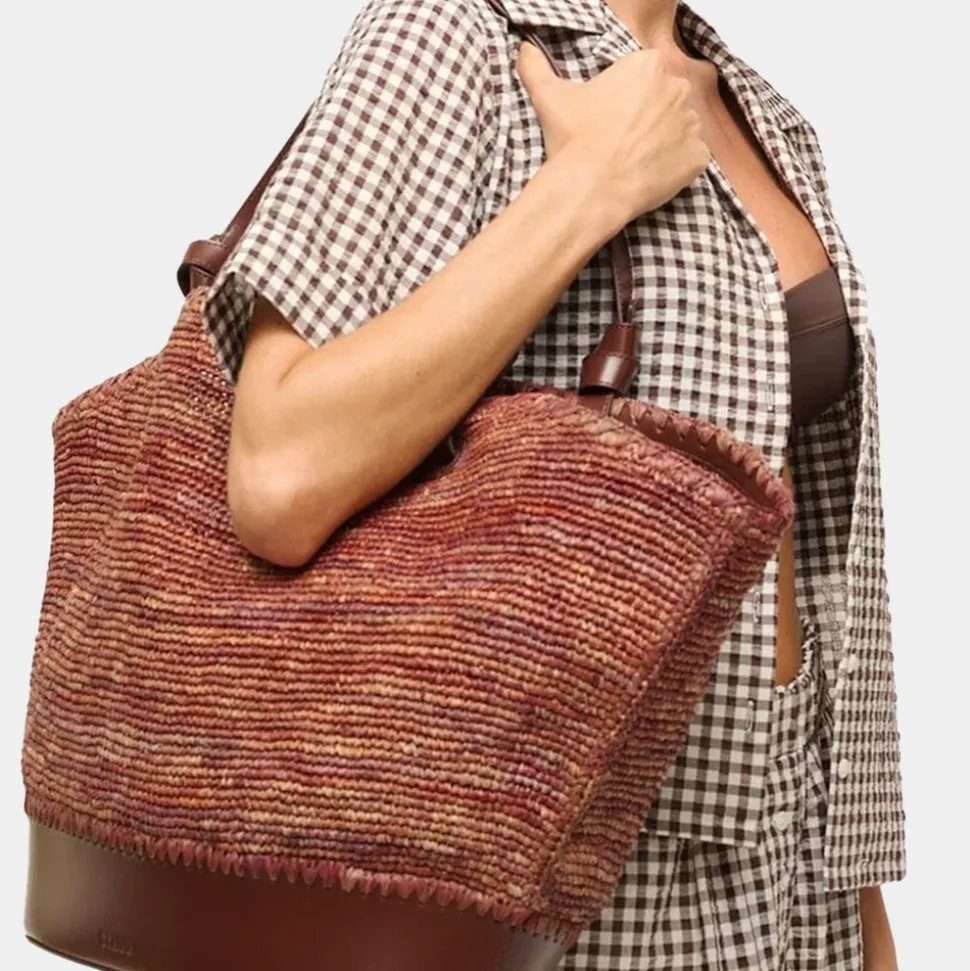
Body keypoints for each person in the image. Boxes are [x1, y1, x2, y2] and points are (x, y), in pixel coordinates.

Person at [200, 1, 905, 968]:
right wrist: (589, 183)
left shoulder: (764, 113)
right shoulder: (450, 34)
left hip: (790, 843)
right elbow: (278, 472)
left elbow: (813, 538)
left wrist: (857, 914)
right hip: (560, 872)